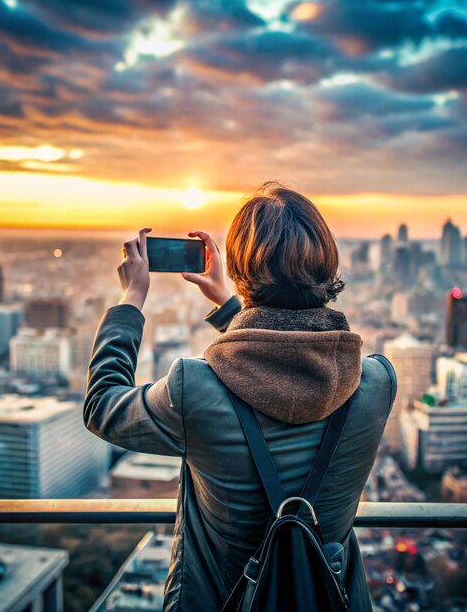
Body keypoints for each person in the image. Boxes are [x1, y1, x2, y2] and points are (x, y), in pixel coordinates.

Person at [84, 182, 397, 611]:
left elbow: (102, 405)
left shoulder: (192, 389)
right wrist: (228, 305)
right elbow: (285, 361)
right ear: (327, 265)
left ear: (240, 271)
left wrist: (131, 300)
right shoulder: (377, 385)